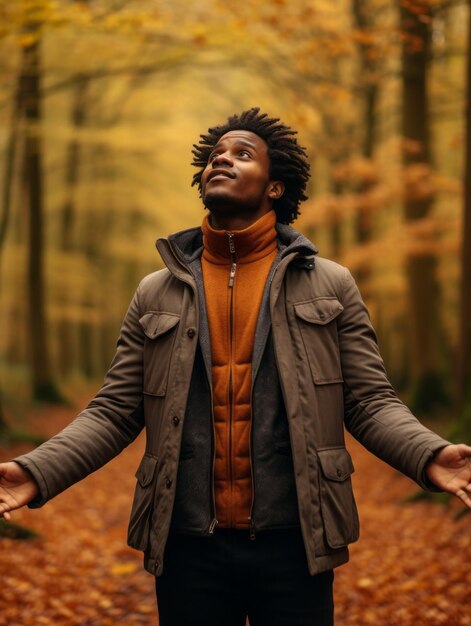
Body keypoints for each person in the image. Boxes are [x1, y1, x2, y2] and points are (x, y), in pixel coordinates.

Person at [1, 107, 471, 626]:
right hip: (186, 542)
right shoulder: (155, 291)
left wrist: (430, 455)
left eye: (242, 153)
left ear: (274, 187)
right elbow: (114, 410)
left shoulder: (331, 284)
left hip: (296, 538)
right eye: (215, 155)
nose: (222, 159)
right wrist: (35, 471)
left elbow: (367, 400)